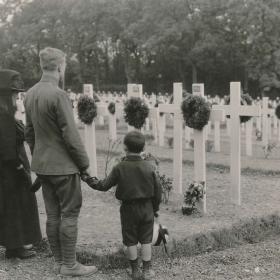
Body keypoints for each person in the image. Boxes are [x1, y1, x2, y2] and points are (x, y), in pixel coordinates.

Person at [24, 47, 97, 277]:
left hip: (44, 166)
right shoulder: (58, 95)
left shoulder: (30, 93)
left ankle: (58, 261)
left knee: (53, 215)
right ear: (59, 67)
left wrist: (40, 155)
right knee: (70, 214)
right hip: (64, 168)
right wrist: (84, 165)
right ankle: (69, 264)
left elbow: (29, 132)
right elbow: (71, 136)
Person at [82, 131, 162, 280]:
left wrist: (88, 179)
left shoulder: (120, 167)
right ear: (143, 148)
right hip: (147, 208)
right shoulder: (150, 167)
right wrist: (155, 209)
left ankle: (134, 271)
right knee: (146, 239)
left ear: (125, 148)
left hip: (128, 209)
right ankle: (147, 271)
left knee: (130, 239)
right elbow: (158, 191)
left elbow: (104, 185)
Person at [0, 69, 42, 259]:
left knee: (11, 206)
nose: (17, 98)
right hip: (10, 171)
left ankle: (13, 245)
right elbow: (7, 146)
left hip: (9, 171)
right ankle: (15, 246)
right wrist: (19, 167)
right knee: (15, 206)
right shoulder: (4, 115)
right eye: (15, 94)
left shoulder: (5, 113)